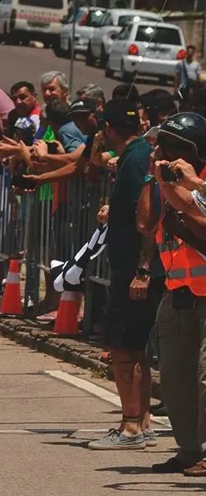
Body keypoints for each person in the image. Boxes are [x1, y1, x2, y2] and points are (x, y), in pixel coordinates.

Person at [86, 98, 162, 451]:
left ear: (108, 128)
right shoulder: (137, 156)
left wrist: (142, 270)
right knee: (135, 347)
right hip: (133, 266)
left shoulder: (134, 160)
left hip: (133, 269)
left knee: (122, 348)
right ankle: (142, 422)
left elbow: (147, 220)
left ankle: (130, 425)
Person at [143, 112, 206, 474]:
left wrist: (189, 185)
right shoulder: (167, 180)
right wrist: (158, 179)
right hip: (178, 290)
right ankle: (188, 449)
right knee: (174, 377)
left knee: (204, 378)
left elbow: (197, 219)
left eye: (167, 146)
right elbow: (147, 221)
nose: (161, 152)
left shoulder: (198, 183)